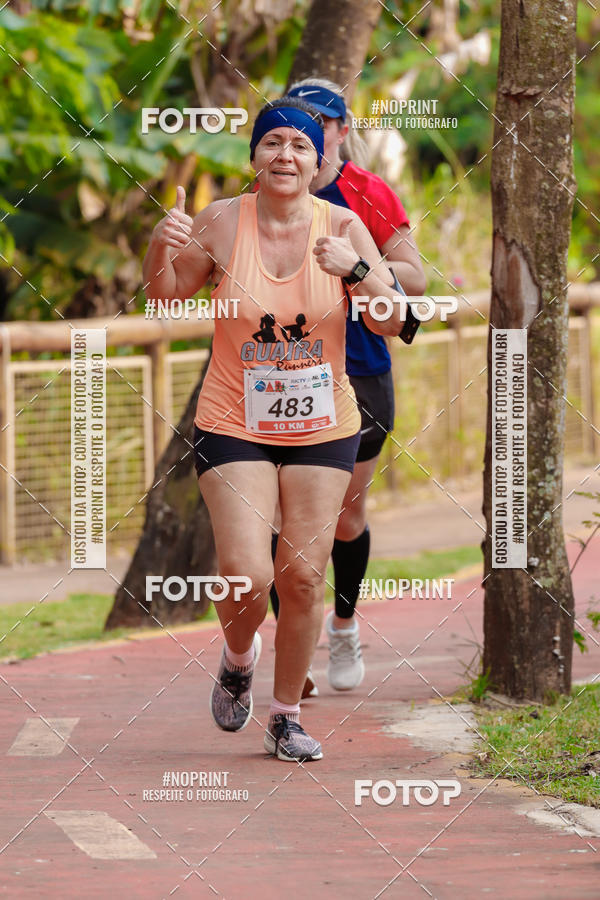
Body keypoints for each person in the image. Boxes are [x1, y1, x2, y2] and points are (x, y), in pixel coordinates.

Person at [143, 97, 405, 761]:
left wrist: (358, 271)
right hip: (234, 417)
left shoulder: (343, 225)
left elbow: (392, 320)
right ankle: (239, 656)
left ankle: (285, 716)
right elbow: (165, 295)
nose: (286, 155)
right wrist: (159, 246)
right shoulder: (222, 220)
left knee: (304, 576)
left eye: (300, 145)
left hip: (323, 423)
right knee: (244, 573)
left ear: (319, 161)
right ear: (255, 156)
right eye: (272, 143)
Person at [269, 79, 426, 696]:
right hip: (285, 369)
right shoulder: (266, 189)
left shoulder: (365, 193)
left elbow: (413, 277)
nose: (305, 133)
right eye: (291, 123)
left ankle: (343, 624)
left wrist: (360, 270)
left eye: (321, 121)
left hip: (359, 366)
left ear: (340, 130)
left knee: (344, 513)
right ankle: (293, 653)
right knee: (278, 517)